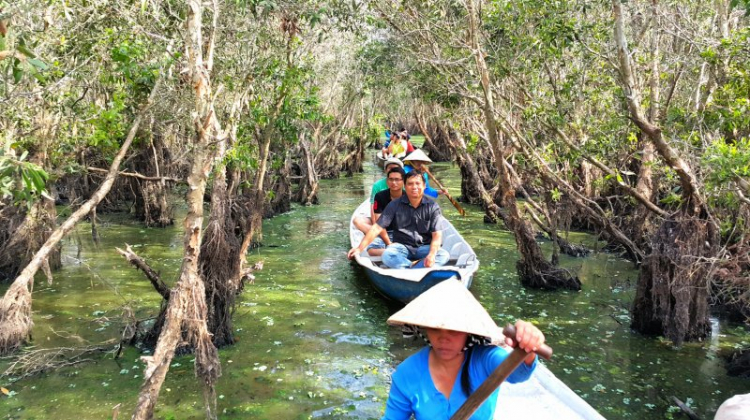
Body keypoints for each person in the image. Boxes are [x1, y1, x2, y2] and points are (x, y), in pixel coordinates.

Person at [381, 280, 546, 420]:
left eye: (454, 330)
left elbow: (519, 373)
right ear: (424, 329)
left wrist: (528, 347)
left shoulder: (485, 358)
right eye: (435, 329)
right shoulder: (407, 373)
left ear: (468, 332)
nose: (443, 338)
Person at [348, 170, 450, 269]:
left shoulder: (432, 206)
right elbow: (376, 228)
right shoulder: (394, 204)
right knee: (388, 255)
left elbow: (437, 236)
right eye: (410, 184)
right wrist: (359, 248)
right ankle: (413, 267)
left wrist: (431, 255)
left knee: (443, 255)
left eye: (417, 183)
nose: (414, 187)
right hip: (401, 247)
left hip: (424, 247)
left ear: (423, 186)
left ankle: (408, 268)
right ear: (405, 186)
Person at [353, 158, 405, 235]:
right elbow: (373, 207)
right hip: (380, 217)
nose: (394, 182)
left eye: (396, 168)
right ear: (385, 170)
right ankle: (379, 234)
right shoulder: (377, 185)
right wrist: (376, 226)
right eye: (390, 168)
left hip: (400, 220)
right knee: (357, 221)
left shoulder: (405, 185)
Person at [365, 167, 406, 256]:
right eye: (391, 179)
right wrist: (388, 243)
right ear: (387, 181)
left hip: (403, 233)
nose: (394, 182)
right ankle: (395, 253)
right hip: (384, 232)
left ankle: (397, 253)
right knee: (371, 250)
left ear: (403, 181)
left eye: (397, 180)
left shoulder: (408, 197)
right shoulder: (380, 196)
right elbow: (380, 223)